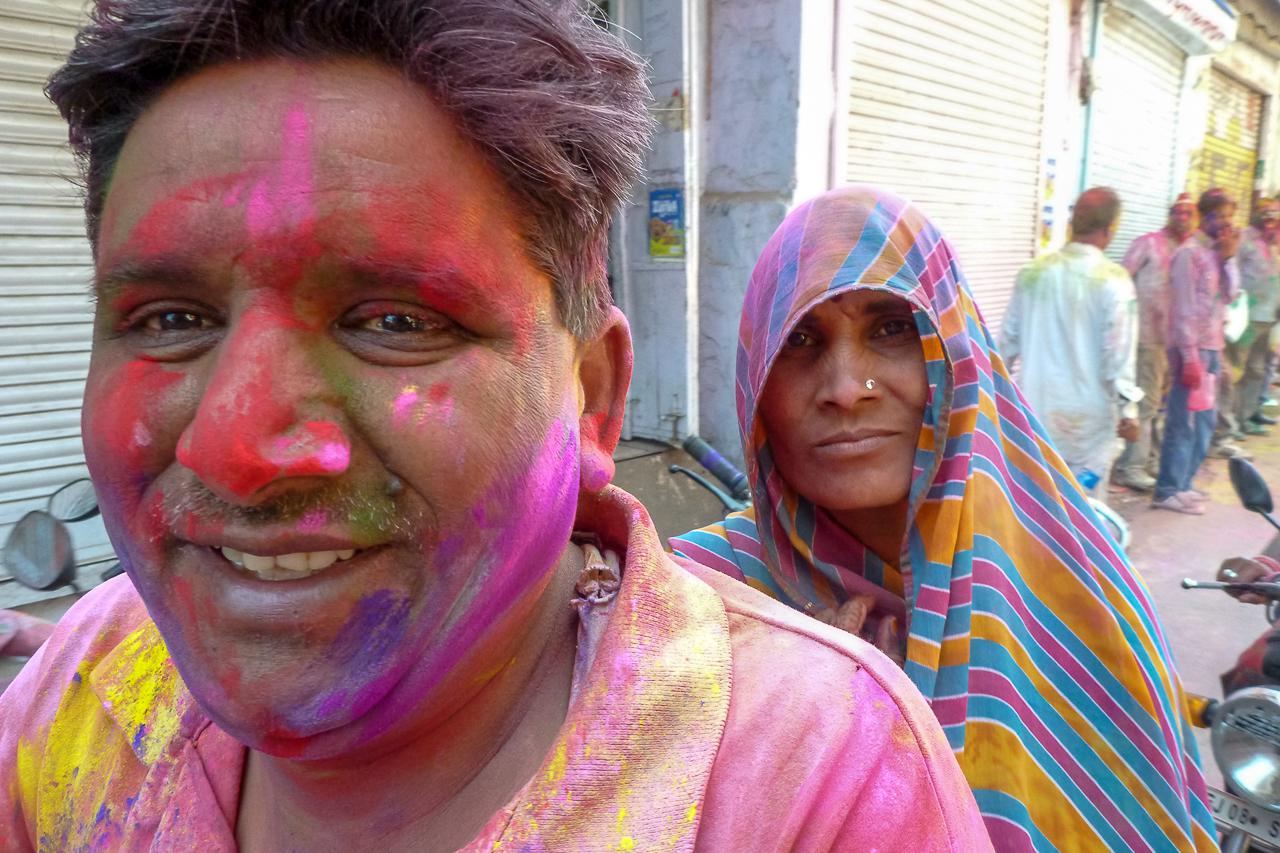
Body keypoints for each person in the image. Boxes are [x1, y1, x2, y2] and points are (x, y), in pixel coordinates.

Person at [0, 4, 991, 851]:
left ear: (591, 396)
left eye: (395, 322)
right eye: (169, 320)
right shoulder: (87, 687)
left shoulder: (814, 778)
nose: (235, 449)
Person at [673, 185, 1216, 851]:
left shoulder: (1081, 592)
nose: (845, 388)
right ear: (756, 380)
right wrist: (796, 724)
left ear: (958, 353)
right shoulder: (693, 603)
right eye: (801, 340)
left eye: (890, 329)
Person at [1000, 187, 1142, 501]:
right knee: (1083, 510)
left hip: (1034, 415)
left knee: (1033, 506)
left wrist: (996, 399)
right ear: (1110, 229)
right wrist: (1129, 412)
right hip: (1086, 429)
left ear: (1071, 223)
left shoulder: (1032, 273)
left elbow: (1005, 346)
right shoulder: (1114, 281)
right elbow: (1118, 359)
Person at [1152, 188, 1241, 515]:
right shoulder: (1189, 255)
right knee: (1183, 421)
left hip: (1212, 347)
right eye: (1220, 216)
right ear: (1206, 217)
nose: (1226, 223)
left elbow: (1232, 295)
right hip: (1191, 350)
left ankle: (1184, 483)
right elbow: (1184, 310)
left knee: (1203, 422)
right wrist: (1190, 358)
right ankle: (1167, 489)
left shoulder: (1218, 253)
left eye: (1230, 217)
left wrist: (1229, 258)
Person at [1113, 193, 1198, 490]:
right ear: (1169, 214)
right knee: (1146, 405)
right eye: (1178, 212)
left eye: (1189, 213)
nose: (1182, 218)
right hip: (1147, 339)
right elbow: (1121, 281)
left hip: (1175, 344)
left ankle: (1148, 459)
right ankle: (1130, 467)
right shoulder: (1148, 243)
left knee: (1161, 406)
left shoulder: (1192, 250)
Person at [1231, 199, 1280, 434]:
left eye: (1276, 215)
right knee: (1237, 371)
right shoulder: (1244, 239)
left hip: (1270, 317)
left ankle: (1248, 416)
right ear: (1258, 214)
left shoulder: (1275, 242)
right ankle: (1230, 423)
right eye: (1267, 214)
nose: (1272, 219)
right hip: (1247, 317)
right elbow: (1231, 273)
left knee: (1258, 370)